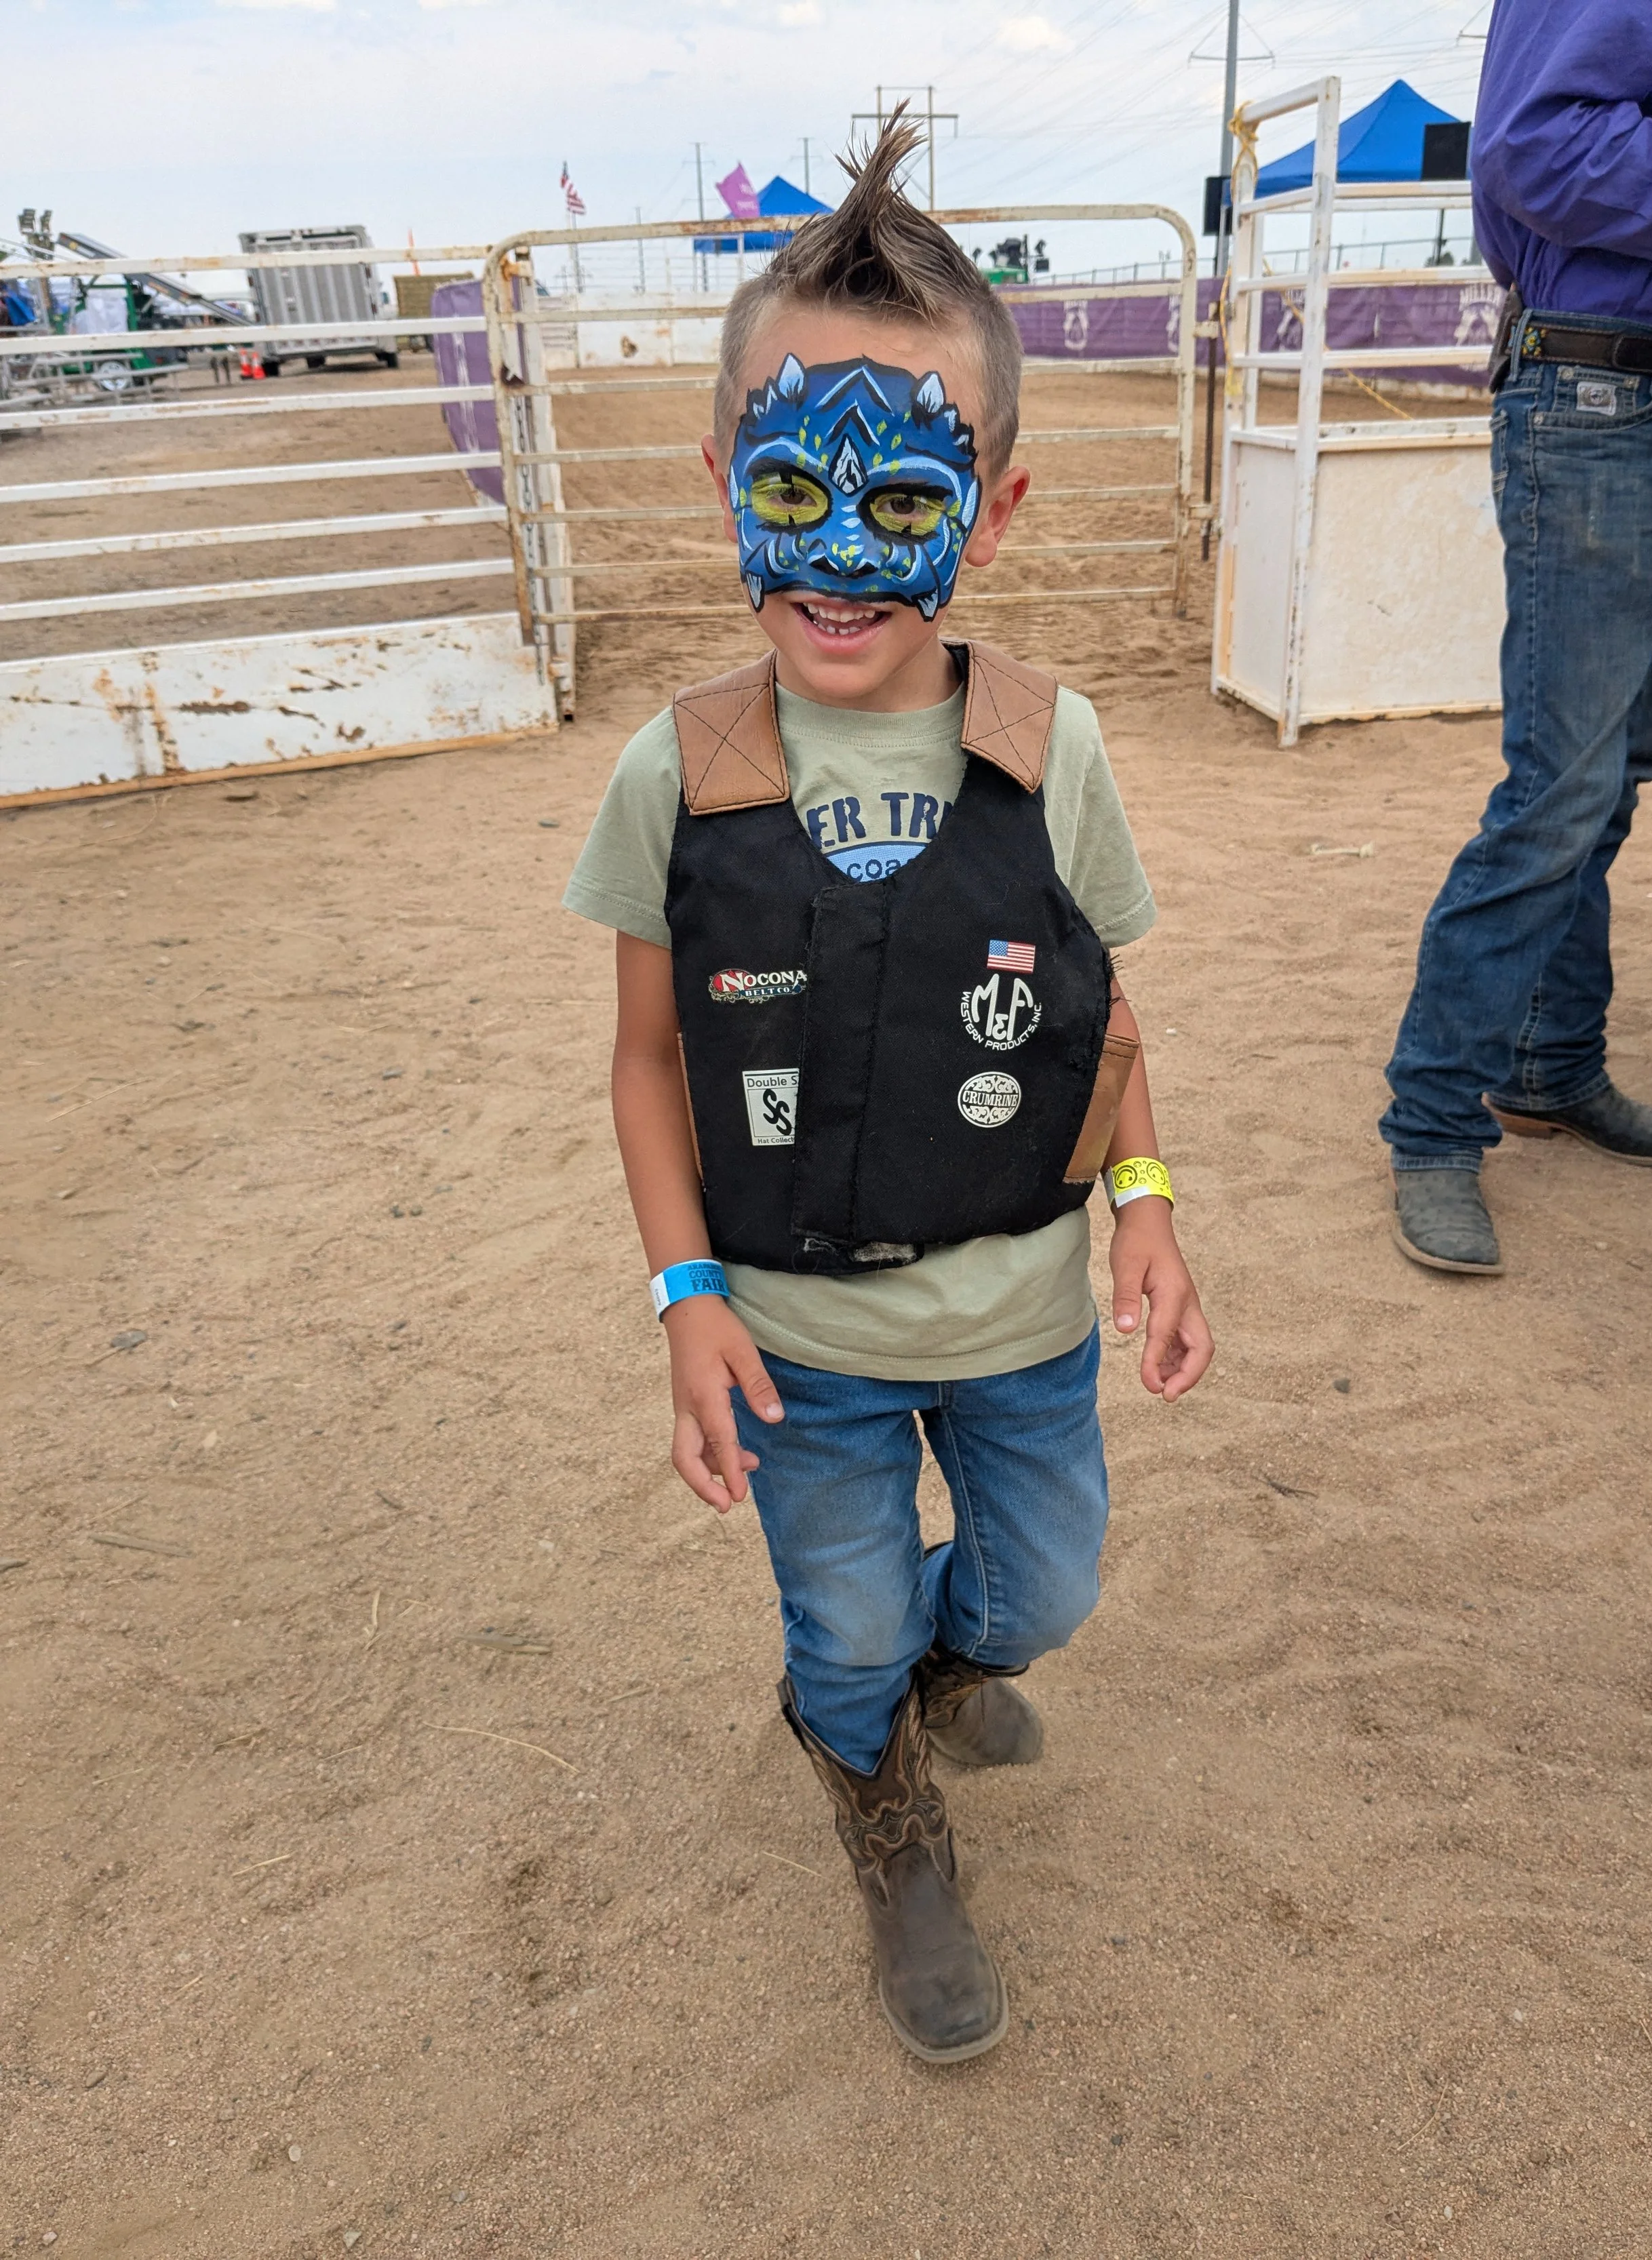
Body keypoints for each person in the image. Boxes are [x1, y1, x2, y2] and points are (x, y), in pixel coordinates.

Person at [564, 116, 1213, 2061]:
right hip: (796, 1343)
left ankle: (926, 1674)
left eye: (902, 500)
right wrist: (684, 1300)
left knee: (1040, 1597)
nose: (840, 555)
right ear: (719, 484)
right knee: (844, 1626)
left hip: (1019, 1324)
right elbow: (642, 1056)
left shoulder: (1054, 749)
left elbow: (1102, 1017)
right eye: (786, 486)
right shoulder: (673, 776)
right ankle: (875, 1790)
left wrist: (1151, 1202)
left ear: (990, 511)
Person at [1381, 0, 1652, 1275]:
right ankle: (1431, 1122)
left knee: (1608, 779)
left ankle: (1553, 1064)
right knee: (1558, 791)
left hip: (1649, 390)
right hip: (1602, 395)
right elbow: (1530, 150)